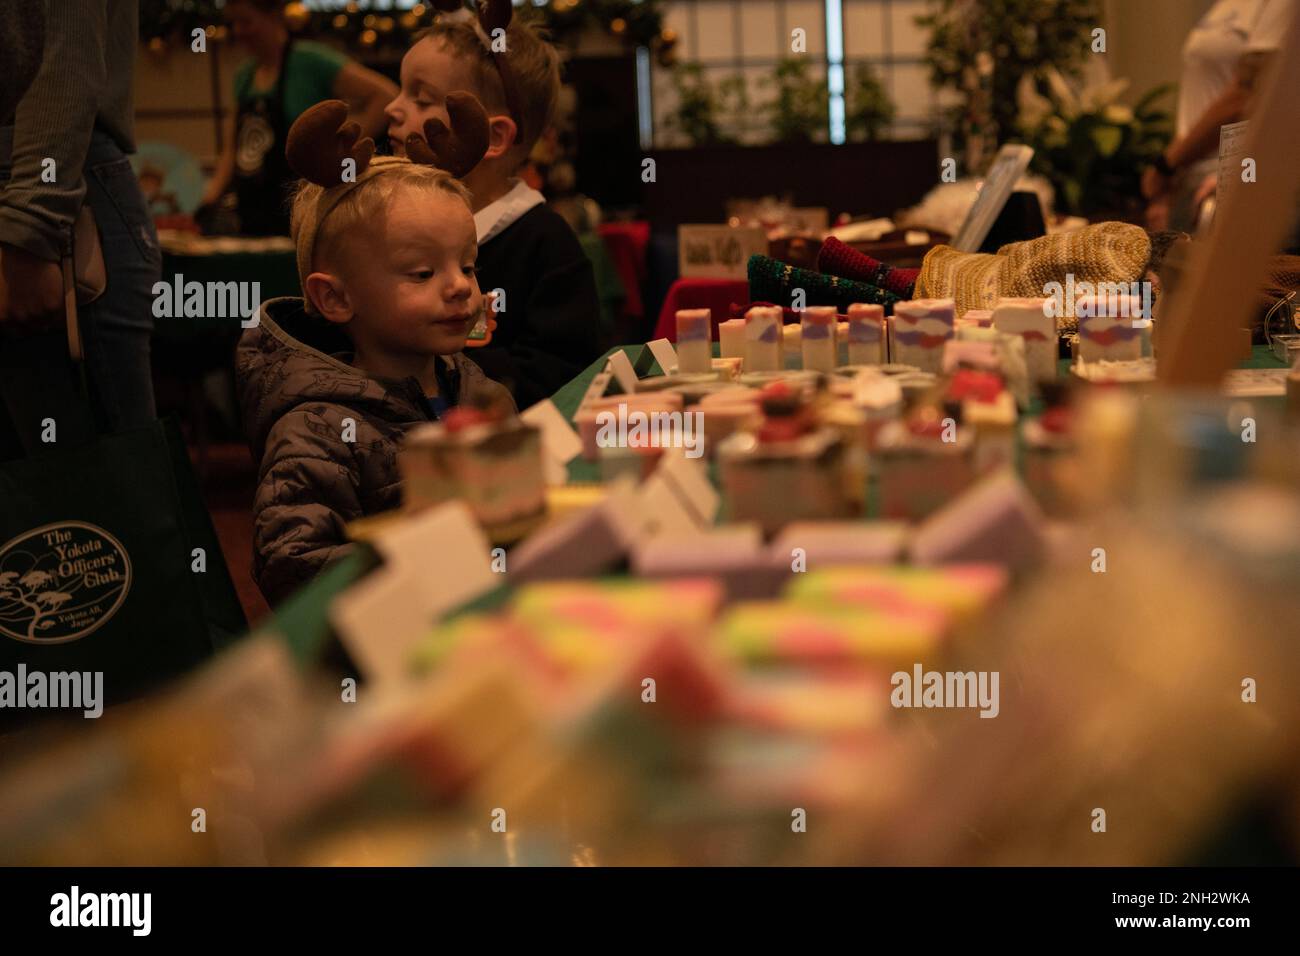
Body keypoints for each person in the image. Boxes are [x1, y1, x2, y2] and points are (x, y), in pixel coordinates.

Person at [236, 145, 513, 606]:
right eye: (423, 273)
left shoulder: (477, 389)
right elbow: (292, 565)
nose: (462, 285)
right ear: (336, 298)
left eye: (467, 265)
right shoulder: (316, 430)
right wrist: (423, 553)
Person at [384, 11, 604, 408]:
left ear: (493, 136)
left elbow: (562, 378)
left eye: (421, 98)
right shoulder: (387, 229)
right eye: (400, 92)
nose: (392, 109)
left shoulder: (545, 245)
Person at [0, 0, 157, 457]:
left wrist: (30, 229)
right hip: (45, 187)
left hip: (53, 192)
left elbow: (64, 60)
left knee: (96, 503)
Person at [200, 0, 397, 236]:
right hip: (252, 211)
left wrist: (335, 147)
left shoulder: (310, 61)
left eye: (246, 22)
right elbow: (234, 148)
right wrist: (209, 200)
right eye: (234, 24)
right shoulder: (244, 75)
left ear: (275, 16)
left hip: (302, 209)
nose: (238, 31)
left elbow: (385, 96)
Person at [1142, 0, 1295, 232]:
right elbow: (1203, 99)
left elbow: (1251, 91)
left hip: (1239, 188)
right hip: (1196, 183)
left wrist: (1166, 166)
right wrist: (1171, 171)